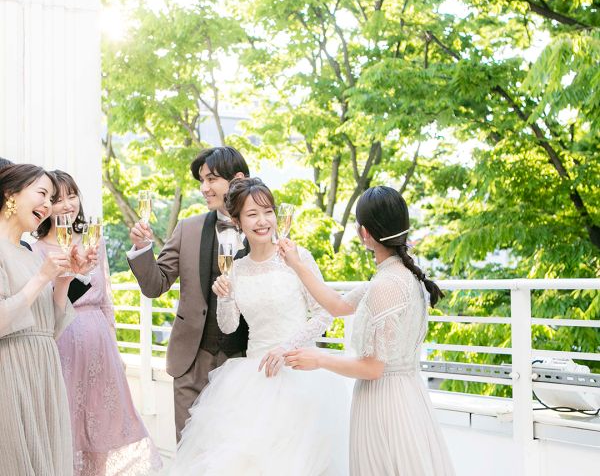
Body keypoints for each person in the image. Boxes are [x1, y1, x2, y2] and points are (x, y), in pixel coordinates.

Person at [169, 177, 350, 475]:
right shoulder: (237, 268)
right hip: (254, 378)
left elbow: (325, 313)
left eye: (268, 212)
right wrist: (225, 298)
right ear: (238, 221)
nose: (263, 221)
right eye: (252, 214)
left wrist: (286, 348)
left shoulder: (297, 257)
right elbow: (229, 326)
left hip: (301, 373)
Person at [280, 186, 455, 476]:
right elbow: (337, 305)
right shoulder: (400, 276)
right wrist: (297, 265)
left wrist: (319, 358)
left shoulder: (385, 285)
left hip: (385, 404)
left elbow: (373, 368)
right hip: (408, 396)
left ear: (365, 234)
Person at [33, 170, 162, 476]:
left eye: (72, 196)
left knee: (101, 422)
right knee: (67, 423)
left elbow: (106, 300)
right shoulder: (36, 250)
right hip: (62, 345)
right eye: (58, 199)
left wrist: (114, 348)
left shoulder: (94, 240)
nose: (68, 204)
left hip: (99, 345)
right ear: (46, 206)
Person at [127, 146, 251, 440]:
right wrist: (142, 249)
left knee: (235, 450)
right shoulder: (188, 229)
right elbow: (155, 285)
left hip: (244, 361)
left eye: (211, 179)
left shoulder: (262, 228)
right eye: (201, 181)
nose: (204, 188)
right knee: (189, 449)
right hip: (192, 361)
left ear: (237, 179)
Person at [0, 163, 95, 476]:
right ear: (10, 193)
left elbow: (49, 330)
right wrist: (42, 277)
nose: (47, 205)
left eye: (50, 198)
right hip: (12, 372)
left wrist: (63, 279)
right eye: (42, 193)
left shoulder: (29, 254)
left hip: (44, 371)